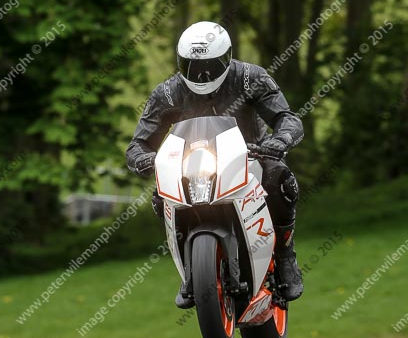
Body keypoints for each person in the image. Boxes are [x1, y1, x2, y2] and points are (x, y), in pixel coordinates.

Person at [126, 20, 304, 308]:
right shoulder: (168, 93)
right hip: (192, 166)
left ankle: (285, 254)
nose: (201, 75)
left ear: (228, 56)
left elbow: (287, 117)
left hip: (249, 159)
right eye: (192, 66)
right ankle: (189, 268)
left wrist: (279, 141)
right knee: (161, 195)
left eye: (209, 66)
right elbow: (138, 144)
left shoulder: (250, 78)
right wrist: (145, 159)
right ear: (180, 62)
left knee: (280, 178)